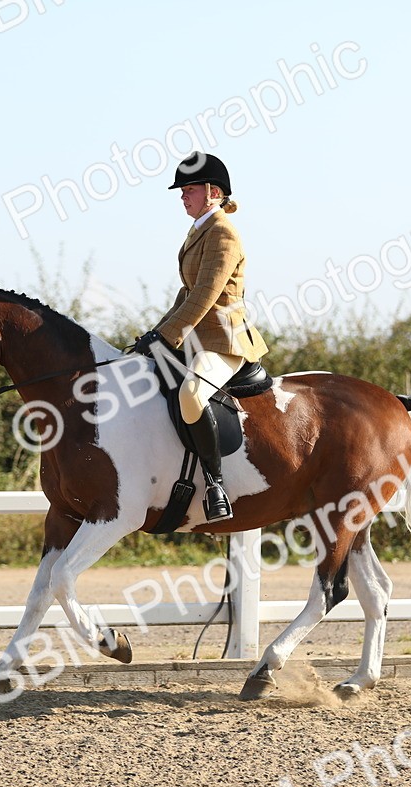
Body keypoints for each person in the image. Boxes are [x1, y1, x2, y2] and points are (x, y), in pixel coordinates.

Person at [131, 152, 269, 522]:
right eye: (183, 190)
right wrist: (155, 335)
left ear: (213, 192)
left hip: (224, 338)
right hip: (195, 335)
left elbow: (206, 293)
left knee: (192, 394)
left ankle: (215, 485)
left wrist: (169, 337)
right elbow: (185, 293)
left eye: (188, 189)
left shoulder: (223, 233)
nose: (182, 196)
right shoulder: (199, 230)